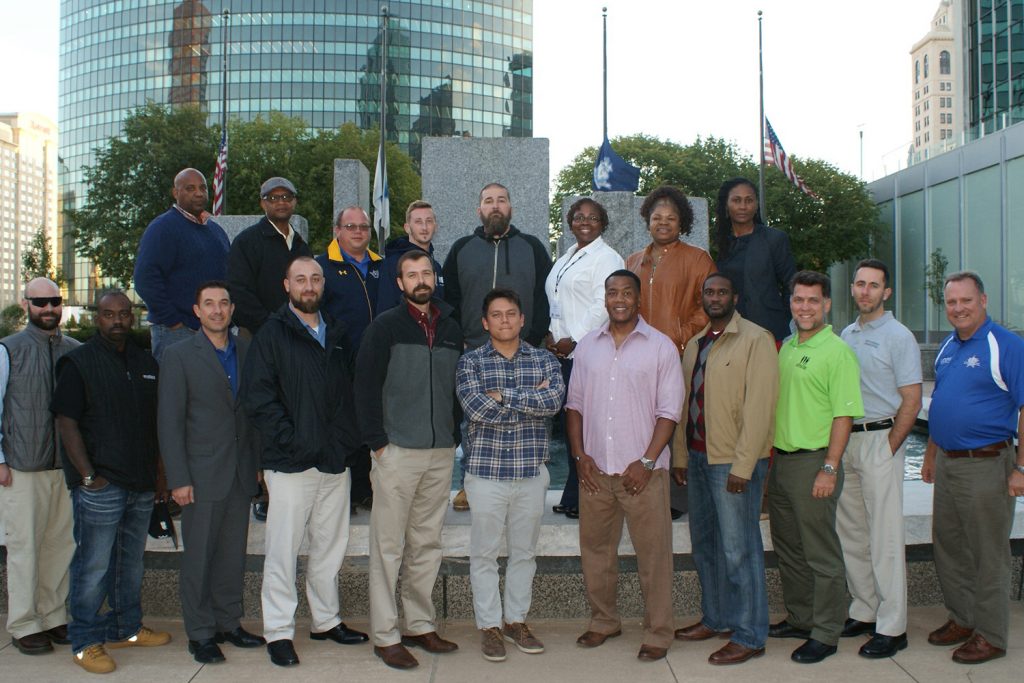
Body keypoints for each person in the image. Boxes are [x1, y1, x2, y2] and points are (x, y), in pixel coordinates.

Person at [241, 255, 368, 667]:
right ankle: (278, 630)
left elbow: (350, 394)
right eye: (301, 279)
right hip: (290, 463)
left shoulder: (338, 332)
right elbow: (259, 399)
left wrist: (344, 442)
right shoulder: (272, 334)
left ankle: (326, 620)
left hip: (334, 461)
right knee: (283, 549)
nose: (309, 286)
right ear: (287, 285)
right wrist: (294, 442)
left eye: (315, 278)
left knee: (330, 547)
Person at [51, 290, 172, 674]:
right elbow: (66, 422)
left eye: (123, 314)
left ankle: (126, 626)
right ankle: (85, 640)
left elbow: (156, 424)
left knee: (130, 562)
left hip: (140, 483)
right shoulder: (79, 362)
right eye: (108, 314)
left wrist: (159, 477)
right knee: (93, 565)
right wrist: (88, 476)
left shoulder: (145, 362)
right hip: (101, 483)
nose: (117, 320)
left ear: (132, 317)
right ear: (96, 317)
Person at [566, 270, 683, 662]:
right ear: (605, 299)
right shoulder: (586, 348)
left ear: (638, 300)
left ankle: (658, 631)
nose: (619, 299)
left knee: (654, 556)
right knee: (596, 552)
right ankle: (604, 621)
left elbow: (669, 412)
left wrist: (647, 460)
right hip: (596, 472)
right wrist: (581, 457)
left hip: (643, 475)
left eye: (627, 293)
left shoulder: (661, 347)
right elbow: (575, 407)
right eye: (612, 292)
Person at [355, 251, 463, 670]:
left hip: (439, 452)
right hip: (396, 452)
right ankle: (385, 634)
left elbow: (455, 390)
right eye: (411, 274)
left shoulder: (451, 328)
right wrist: (378, 443)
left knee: (426, 543)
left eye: (426, 273)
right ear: (399, 283)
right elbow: (364, 387)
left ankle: (420, 624)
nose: (421, 280)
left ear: (434, 278)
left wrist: (451, 436)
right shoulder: (385, 327)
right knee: (387, 546)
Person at [671, 273, 778, 665]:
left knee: (739, 549)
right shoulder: (697, 344)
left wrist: (744, 466)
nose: (714, 298)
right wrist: (680, 456)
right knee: (707, 547)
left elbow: (760, 408)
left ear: (735, 296)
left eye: (721, 292)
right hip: (698, 461)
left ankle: (750, 634)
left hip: (732, 462)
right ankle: (716, 618)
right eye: (709, 293)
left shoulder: (755, 339)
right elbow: (684, 407)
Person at [158, 281, 265, 664]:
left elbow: (250, 414)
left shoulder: (247, 350)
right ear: (197, 310)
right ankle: (201, 633)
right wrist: (178, 479)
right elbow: (169, 422)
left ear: (232, 309)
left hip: (239, 473)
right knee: (199, 557)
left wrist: (255, 467)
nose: (218, 310)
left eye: (223, 304)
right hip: (199, 477)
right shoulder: (180, 355)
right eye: (209, 304)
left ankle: (228, 623)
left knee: (231, 556)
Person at [921, 271, 1024, 665]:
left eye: (965, 300)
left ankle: (991, 635)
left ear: (982, 300)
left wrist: (1021, 468)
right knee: (949, 547)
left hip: (987, 464)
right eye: (951, 302)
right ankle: (962, 619)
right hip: (948, 463)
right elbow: (943, 401)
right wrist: (931, 455)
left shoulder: (1006, 346)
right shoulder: (949, 346)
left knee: (987, 553)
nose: (958, 308)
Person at [456, 288, 563, 663]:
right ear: (486, 323)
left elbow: (552, 404)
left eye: (511, 314)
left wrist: (502, 395)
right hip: (485, 476)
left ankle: (515, 620)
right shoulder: (470, 363)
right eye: (496, 315)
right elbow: (476, 408)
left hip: (531, 474)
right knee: (484, 555)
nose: (504, 320)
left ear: (521, 320)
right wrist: (526, 398)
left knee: (524, 554)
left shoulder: (545, 361)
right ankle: (488, 625)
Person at [767, 270, 862, 664]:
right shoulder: (787, 346)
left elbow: (844, 416)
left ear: (825, 305)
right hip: (782, 462)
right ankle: (801, 618)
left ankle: (826, 631)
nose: (804, 307)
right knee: (790, 548)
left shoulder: (836, 351)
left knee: (821, 552)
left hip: (814, 463)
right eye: (798, 299)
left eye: (812, 300)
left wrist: (830, 467)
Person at [443, 182, 553, 512]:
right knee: (473, 423)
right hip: (476, 353)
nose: (495, 206)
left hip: (524, 352)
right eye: (488, 201)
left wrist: (532, 340)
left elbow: (545, 298)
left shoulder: (532, 247)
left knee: (528, 417)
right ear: (479, 210)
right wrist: (460, 337)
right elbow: (450, 300)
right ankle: (468, 485)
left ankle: (527, 484)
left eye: (501, 200)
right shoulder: (461, 248)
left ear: (510, 208)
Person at [837, 260, 922, 658]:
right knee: (852, 532)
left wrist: (890, 447)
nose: (865, 291)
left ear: (886, 292)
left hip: (880, 440)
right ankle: (865, 610)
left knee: (885, 537)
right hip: (848, 441)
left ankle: (893, 626)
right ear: (853, 289)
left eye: (874, 285)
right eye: (860, 284)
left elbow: (912, 398)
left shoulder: (898, 336)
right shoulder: (847, 334)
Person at [0, 278, 79, 656]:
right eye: (40, 302)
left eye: (54, 301)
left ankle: (53, 616)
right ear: (26, 304)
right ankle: (24, 623)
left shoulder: (75, 351)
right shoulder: (8, 350)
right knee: (24, 547)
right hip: (22, 466)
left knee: (60, 545)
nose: (48, 308)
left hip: (64, 467)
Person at [626, 184, 715, 518]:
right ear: (647, 221)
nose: (663, 222)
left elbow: (708, 305)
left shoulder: (697, 259)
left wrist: (680, 338)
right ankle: (637, 486)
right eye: (656, 217)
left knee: (674, 423)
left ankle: (677, 498)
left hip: (679, 357)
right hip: (637, 359)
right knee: (641, 421)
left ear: (682, 222)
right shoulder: (634, 260)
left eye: (671, 218)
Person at [545, 197, 624, 520]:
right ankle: (574, 493)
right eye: (578, 216)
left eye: (592, 217)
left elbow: (603, 304)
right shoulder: (567, 255)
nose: (585, 221)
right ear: (570, 222)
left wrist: (574, 338)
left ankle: (587, 496)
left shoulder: (607, 258)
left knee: (586, 427)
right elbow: (557, 301)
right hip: (563, 352)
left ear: (602, 223)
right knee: (571, 425)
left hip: (588, 352)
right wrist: (552, 335)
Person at [316, 205, 381, 512]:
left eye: (363, 227)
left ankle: (367, 491)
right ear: (337, 231)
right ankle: (347, 495)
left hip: (377, 364)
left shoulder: (383, 266)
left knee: (371, 427)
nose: (358, 232)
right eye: (351, 226)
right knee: (345, 429)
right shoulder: (323, 268)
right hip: (340, 363)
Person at [134, 168, 230, 362]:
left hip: (214, 331)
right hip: (176, 332)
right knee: (176, 390)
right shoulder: (162, 228)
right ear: (176, 193)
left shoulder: (216, 231)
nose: (198, 193)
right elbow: (145, 278)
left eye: (203, 188)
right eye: (190, 188)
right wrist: (173, 321)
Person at [713, 178, 797, 342]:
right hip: (731, 331)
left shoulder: (774, 239)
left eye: (749, 200)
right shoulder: (722, 245)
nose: (743, 206)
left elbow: (791, 286)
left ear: (756, 204)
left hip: (770, 331)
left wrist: (784, 320)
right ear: (726, 205)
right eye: (736, 200)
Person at [227, 176, 312, 337]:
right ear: (263, 203)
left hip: (298, 333)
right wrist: (270, 325)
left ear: (295, 202)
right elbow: (238, 291)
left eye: (287, 197)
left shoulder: (301, 246)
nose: (281, 202)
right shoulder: (246, 242)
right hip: (258, 334)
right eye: (273, 198)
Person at [376, 200, 446, 312]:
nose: (424, 227)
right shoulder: (392, 264)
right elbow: (385, 309)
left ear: (435, 226)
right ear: (407, 228)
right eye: (418, 222)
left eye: (429, 221)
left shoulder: (436, 265)